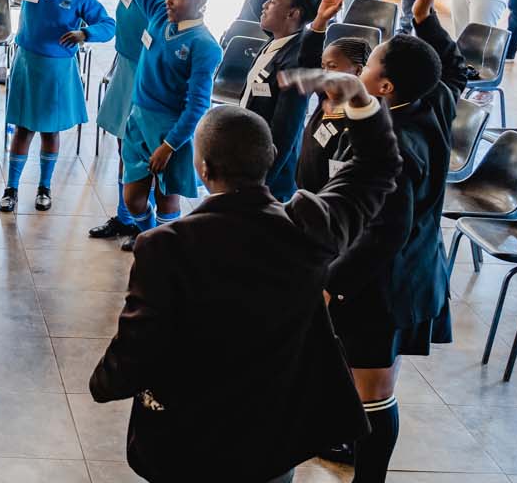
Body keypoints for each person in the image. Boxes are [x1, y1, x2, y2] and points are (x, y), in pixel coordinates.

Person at [90, 70, 403, 483]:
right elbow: (377, 169)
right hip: (272, 435)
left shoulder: (166, 245)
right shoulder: (309, 228)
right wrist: (361, 100)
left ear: (203, 168)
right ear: (271, 155)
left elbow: (142, 337)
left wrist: (106, 382)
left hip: (188, 438)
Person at [304, 0, 462, 482]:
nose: (363, 66)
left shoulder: (391, 145)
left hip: (385, 284)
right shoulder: (431, 99)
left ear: (386, 86)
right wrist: (423, 16)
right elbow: (445, 70)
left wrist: (334, 283)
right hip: (407, 269)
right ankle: (343, 437)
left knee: (375, 392)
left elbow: (383, 234)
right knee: (359, 377)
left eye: (371, 64)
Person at [0, 0, 115, 212]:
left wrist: (84, 34)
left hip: (58, 70)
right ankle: (11, 188)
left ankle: (44, 187)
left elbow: (107, 24)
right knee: (23, 129)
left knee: (50, 131)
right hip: (27, 66)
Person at [116, 0, 219, 251]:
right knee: (134, 200)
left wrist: (170, 145)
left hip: (171, 130)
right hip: (139, 118)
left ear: (199, 2)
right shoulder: (160, 14)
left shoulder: (205, 46)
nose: (169, 0)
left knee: (167, 201)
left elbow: (197, 105)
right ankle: (147, 239)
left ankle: (161, 252)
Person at [90, 0, 182, 243]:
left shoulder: (166, 1)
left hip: (147, 78)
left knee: (145, 151)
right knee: (121, 144)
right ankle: (125, 215)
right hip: (123, 68)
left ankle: (153, 227)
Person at [233, 0, 334, 200]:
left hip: (270, 176)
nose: (266, 5)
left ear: (293, 14)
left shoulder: (296, 60)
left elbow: (285, 134)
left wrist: (260, 185)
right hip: (248, 152)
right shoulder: (276, 38)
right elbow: (257, 1)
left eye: (275, 1)